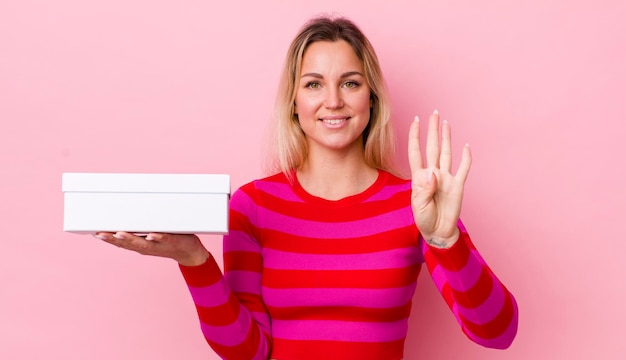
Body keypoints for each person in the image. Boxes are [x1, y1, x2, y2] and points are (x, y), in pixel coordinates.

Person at [95, 15, 518, 360]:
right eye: (314, 84)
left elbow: (497, 333)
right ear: (294, 103)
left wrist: (445, 239)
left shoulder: (414, 206)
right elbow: (247, 351)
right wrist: (193, 259)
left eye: (350, 82)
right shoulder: (253, 206)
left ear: (371, 99)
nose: (332, 100)